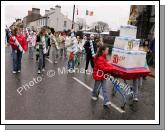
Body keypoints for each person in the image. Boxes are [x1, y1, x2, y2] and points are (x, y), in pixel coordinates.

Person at [92, 45, 113, 110]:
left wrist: (110, 64)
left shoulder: (104, 57)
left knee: (104, 88)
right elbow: (103, 68)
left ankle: (106, 101)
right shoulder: (99, 58)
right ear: (103, 51)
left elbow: (106, 64)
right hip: (98, 75)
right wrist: (111, 68)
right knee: (96, 87)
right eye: (107, 50)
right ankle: (94, 95)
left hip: (103, 75)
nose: (108, 51)